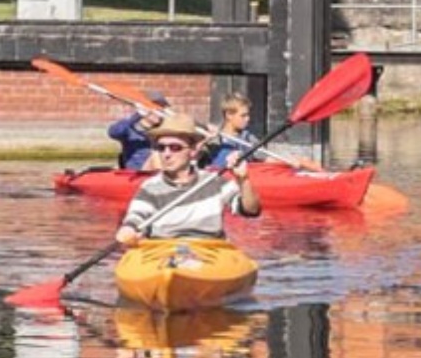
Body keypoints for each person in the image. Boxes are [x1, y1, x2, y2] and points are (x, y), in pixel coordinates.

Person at [116, 113, 260, 245]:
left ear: (192, 151)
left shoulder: (214, 182)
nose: (166, 154)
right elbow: (134, 219)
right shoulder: (150, 187)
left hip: (211, 251)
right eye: (161, 147)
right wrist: (128, 230)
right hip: (162, 252)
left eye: (175, 147)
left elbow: (251, 211)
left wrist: (243, 179)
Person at [201, 92, 322, 172]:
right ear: (229, 115)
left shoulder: (248, 138)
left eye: (248, 115)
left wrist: (291, 161)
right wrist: (205, 140)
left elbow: (266, 159)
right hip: (223, 180)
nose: (248, 119)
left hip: (246, 177)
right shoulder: (215, 140)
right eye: (243, 115)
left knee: (303, 160)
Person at [108, 93, 171, 171]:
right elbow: (114, 132)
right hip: (137, 174)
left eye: (162, 109)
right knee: (155, 155)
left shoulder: (165, 130)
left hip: (161, 172)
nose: (160, 113)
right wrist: (138, 115)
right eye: (157, 108)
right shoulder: (130, 128)